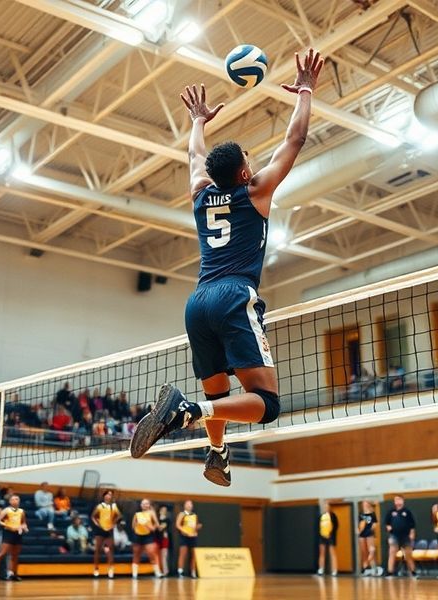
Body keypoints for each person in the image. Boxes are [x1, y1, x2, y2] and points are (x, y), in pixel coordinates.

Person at [129, 49, 324, 487]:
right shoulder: (254, 192)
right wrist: (305, 90)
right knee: (267, 403)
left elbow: (195, 157)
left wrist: (198, 120)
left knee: (218, 393)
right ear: (242, 173)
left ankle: (217, 452)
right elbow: (295, 141)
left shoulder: (201, 192)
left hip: (197, 303)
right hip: (235, 294)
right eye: (248, 162)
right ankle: (189, 413)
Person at [0, 494, 27, 581]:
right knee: (2, 553)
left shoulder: (21, 511)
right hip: (8, 533)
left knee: (15, 555)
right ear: (10, 501)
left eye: (17, 499)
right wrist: (7, 525)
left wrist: (24, 527)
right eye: (13, 499)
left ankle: (13, 573)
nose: (15, 501)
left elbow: (23, 522)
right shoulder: (6, 510)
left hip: (18, 534)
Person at [90, 489, 121, 579]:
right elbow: (93, 516)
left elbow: (119, 515)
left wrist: (113, 523)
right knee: (97, 550)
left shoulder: (114, 506)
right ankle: (96, 569)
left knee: (109, 550)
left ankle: (110, 570)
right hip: (100, 530)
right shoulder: (100, 506)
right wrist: (97, 523)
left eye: (110, 495)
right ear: (104, 496)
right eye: (107, 494)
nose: (108, 496)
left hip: (109, 530)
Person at [385, 495, 417, 578]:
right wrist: (389, 530)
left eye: (399, 499)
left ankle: (413, 572)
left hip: (405, 536)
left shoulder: (407, 512)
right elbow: (387, 523)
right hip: (394, 535)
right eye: (396, 500)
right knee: (392, 553)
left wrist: (412, 534)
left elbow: (412, 525)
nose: (398, 501)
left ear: (403, 501)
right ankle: (390, 572)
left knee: (408, 555)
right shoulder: (391, 512)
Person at [131, 499, 162, 579]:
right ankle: (134, 574)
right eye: (143, 503)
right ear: (141, 505)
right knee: (136, 554)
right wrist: (137, 526)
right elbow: (133, 526)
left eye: (147, 503)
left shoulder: (151, 513)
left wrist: (152, 528)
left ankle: (157, 572)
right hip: (138, 536)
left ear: (149, 505)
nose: (145, 505)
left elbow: (157, 524)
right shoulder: (137, 514)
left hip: (148, 536)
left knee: (151, 554)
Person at [176, 500, 201, 578]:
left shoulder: (194, 515)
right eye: (187, 504)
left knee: (194, 555)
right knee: (183, 554)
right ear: (184, 506)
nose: (189, 505)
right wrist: (185, 532)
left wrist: (197, 528)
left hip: (193, 537)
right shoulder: (182, 514)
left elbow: (195, 526)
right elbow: (178, 525)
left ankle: (193, 572)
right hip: (184, 537)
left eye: (190, 504)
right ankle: (180, 571)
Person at [357, 500, 378, 576]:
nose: (364, 504)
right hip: (362, 534)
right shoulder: (360, 514)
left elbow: (375, 523)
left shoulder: (372, 514)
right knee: (364, 552)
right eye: (363, 503)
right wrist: (359, 530)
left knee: (371, 551)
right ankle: (365, 568)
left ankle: (373, 567)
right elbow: (359, 525)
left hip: (369, 534)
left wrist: (372, 526)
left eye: (366, 503)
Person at [317, 500, 338, 576]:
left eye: (327, 505)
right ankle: (321, 569)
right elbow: (318, 527)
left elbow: (336, 526)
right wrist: (322, 534)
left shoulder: (333, 515)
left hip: (331, 536)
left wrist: (331, 533)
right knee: (322, 553)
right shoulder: (321, 516)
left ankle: (334, 570)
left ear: (329, 507)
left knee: (332, 553)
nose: (326, 507)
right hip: (322, 536)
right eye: (325, 505)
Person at [157, 505, 171, 577]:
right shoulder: (156, 518)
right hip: (157, 538)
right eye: (162, 510)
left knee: (164, 555)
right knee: (157, 555)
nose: (164, 511)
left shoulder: (167, 520)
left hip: (164, 539)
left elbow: (161, 528)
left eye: (165, 510)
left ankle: (165, 571)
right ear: (160, 511)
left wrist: (158, 526)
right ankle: (158, 571)